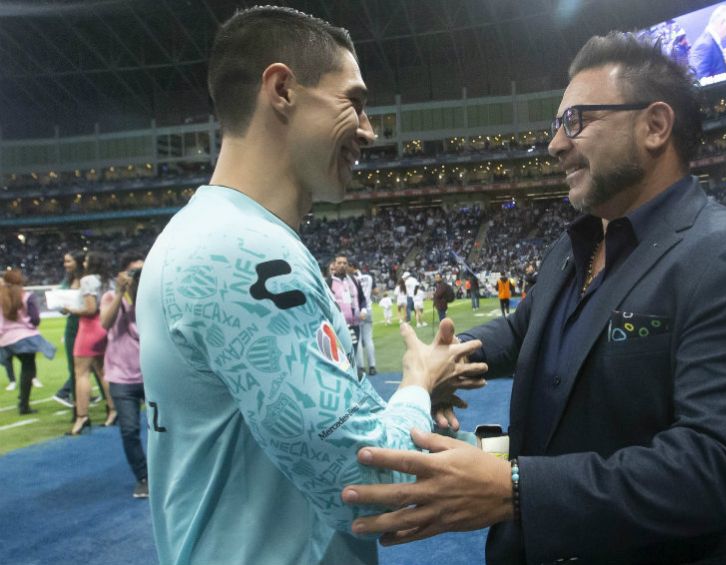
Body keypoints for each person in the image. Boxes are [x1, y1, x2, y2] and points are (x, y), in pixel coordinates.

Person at [341, 32, 726, 565]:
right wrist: (447, 359)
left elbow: (713, 467)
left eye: (576, 120)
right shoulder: (575, 242)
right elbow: (525, 330)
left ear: (655, 126)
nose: (555, 144)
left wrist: (515, 488)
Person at [135, 7, 486, 565]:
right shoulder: (243, 251)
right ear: (282, 90)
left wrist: (410, 400)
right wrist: (418, 385)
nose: (369, 130)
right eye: (354, 101)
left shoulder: (211, 234)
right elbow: (369, 487)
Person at [100, 254, 148, 498]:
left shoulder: (149, 299)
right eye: (132, 272)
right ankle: (143, 477)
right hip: (121, 376)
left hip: (150, 374)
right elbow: (104, 324)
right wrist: (120, 293)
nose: (136, 277)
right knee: (129, 429)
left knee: (165, 428)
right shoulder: (110, 298)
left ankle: (167, 474)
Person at [63, 251, 116, 434]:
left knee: (81, 373)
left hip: (89, 328)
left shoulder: (88, 280)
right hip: (104, 327)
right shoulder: (108, 279)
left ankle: (82, 417)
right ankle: (113, 410)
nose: (83, 263)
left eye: (85, 260)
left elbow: (90, 309)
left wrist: (71, 309)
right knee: (103, 372)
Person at [0, 269, 56, 415]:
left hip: (6, 339)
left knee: (19, 366)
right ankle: (23, 404)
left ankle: (21, 400)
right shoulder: (27, 296)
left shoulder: (1, 297)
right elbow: (35, 319)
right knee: (29, 368)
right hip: (25, 338)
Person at [52, 250, 87, 408]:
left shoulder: (88, 279)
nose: (65, 265)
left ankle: (111, 406)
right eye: (65, 261)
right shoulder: (67, 281)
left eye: (69, 261)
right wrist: (61, 306)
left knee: (97, 367)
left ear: (78, 261)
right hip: (72, 326)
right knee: (74, 367)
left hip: (89, 324)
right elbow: (62, 307)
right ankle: (77, 404)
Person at [689, 3, 726, 81]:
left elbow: (723, 73)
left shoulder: (714, 42)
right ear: (722, 22)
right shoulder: (704, 45)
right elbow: (701, 83)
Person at [353, 265, 377, 376]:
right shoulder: (369, 277)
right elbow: (376, 291)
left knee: (358, 340)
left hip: (357, 310)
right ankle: (372, 366)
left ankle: (361, 368)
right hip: (368, 309)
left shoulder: (351, 279)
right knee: (369, 339)